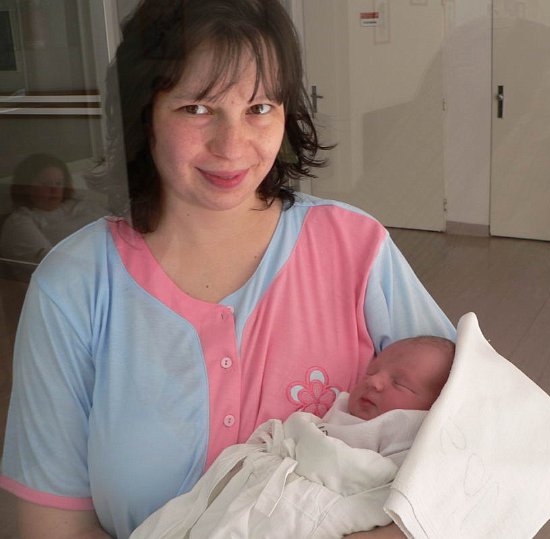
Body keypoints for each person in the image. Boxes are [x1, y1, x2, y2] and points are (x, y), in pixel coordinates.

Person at [0, 1, 456, 538]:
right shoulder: (74, 285)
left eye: (259, 107)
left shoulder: (355, 247)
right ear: (143, 113)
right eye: (197, 108)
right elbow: (52, 524)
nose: (232, 145)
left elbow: (474, 449)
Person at [130, 336, 455, 538]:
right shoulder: (316, 424)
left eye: (400, 383)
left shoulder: (415, 447)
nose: (375, 381)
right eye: (372, 371)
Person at [0, 153, 107, 264]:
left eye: (59, 183)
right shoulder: (20, 222)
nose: (54, 190)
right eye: (45, 184)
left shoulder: (78, 202)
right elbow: (52, 263)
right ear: (26, 188)